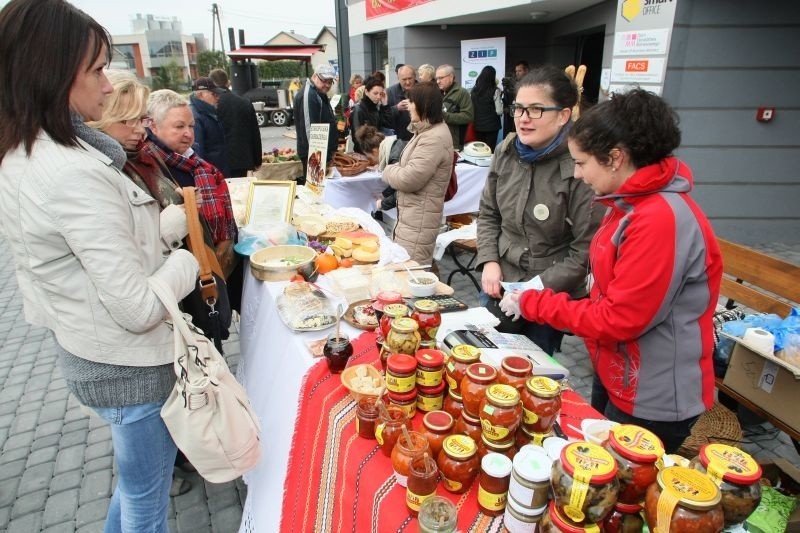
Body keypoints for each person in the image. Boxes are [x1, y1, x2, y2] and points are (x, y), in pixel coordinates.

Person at [0, 1, 199, 531]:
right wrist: (185, 261)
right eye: (95, 69)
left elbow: (102, 250)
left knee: (136, 487)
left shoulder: (28, 153)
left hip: (97, 355)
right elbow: (136, 307)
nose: (108, 86)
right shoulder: (70, 171)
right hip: (128, 368)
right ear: (52, 72)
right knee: (145, 501)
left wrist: (162, 230)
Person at [499, 88, 723, 453]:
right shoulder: (627, 204)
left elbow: (620, 317)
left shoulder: (659, 220)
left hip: (654, 393)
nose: (576, 173)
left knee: (614, 487)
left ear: (615, 158)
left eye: (582, 162)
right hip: (618, 370)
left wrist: (537, 303)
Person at [86, 68, 198, 496]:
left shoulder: (135, 158)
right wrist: (173, 234)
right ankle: (169, 463)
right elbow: (129, 266)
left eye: (140, 119)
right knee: (142, 491)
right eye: (128, 120)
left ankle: (172, 456)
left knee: (138, 489)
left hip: (156, 305)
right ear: (100, 118)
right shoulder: (102, 173)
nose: (139, 130)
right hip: (133, 342)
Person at [476, 65, 603, 356]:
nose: (523, 118)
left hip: (548, 292)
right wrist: (489, 261)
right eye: (519, 108)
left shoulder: (580, 168)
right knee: (484, 359)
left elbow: (585, 252)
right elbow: (488, 213)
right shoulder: (506, 151)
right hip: (499, 280)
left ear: (563, 115)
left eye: (535, 109)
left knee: (530, 372)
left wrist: (534, 289)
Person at [143, 89, 241, 309]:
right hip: (180, 289)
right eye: (179, 126)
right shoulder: (149, 170)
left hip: (211, 273)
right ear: (153, 126)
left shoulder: (201, 167)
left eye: (191, 126)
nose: (188, 133)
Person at [382, 82, 453, 264]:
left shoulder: (433, 137)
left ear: (423, 104)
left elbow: (409, 179)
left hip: (419, 221)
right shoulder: (424, 131)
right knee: (407, 269)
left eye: (411, 100)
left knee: (411, 271)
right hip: (413, 218)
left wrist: (387, 170)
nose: (408, 105)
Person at [208, 68, 263, 178]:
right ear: (228, 82)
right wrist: (257, 160)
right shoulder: (244, 102)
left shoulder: (211, 104)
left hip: (218, 162)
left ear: (211, 84)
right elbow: (254, 133)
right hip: (242, 160)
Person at [294, 63, 339, 181]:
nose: (327, 85)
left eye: (330, 82)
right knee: (315, 192)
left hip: (320, 154)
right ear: (314, 76)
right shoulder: (309, 95)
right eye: (324, 80)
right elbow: (310, 130)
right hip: (314, 155)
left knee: (321, 192)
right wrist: (317, 159)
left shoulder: (318, 93)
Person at [189, 76, 230, 178]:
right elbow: (198, 155)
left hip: (217, 173)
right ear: (201, 94)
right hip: (211, 177)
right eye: (214, 94)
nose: (217, 97)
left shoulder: (208, 113)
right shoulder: (196, 117)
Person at [349, 76, 393, 153]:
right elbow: (357, 138)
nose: (378, 97)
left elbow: (387, 125)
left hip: (375, 151)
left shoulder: (376, 107)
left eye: (381, 94)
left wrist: (385, 104)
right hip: (365, 153)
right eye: (375, 93)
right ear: (366, 92)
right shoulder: (359, 109)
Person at [435, 64, 474, 150]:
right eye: (437, 78)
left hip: (454, 143)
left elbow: (468, 116)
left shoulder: (462, 93)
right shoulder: (437, 93)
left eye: (441, 78)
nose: (438, 81)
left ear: (451, 77)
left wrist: (444, 115)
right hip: (439, 140)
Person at [470, 65, 503, 151]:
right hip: (492, 127)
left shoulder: (474, 91)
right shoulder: (495, 90)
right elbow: (499, 111)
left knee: (480, 150)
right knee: (490, 151)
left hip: (478, 125)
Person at [386, 64, 416, 141]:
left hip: (419, 137)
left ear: (415, 76)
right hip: (399, 139)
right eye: (404, 79)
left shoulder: (423, 90)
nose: (408, 82)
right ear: (398, 78)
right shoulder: (390, 92)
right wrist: (396, 108)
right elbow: (383, 116)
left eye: (410, 78)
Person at [502, 60, 530, 137]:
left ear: (526, 70)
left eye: (519, 71)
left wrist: (514, 85)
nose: (517, 73)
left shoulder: (531, 82)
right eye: (516, 71)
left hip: (526, 115)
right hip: (513, 115)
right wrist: (506, 90)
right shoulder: (515, 82)